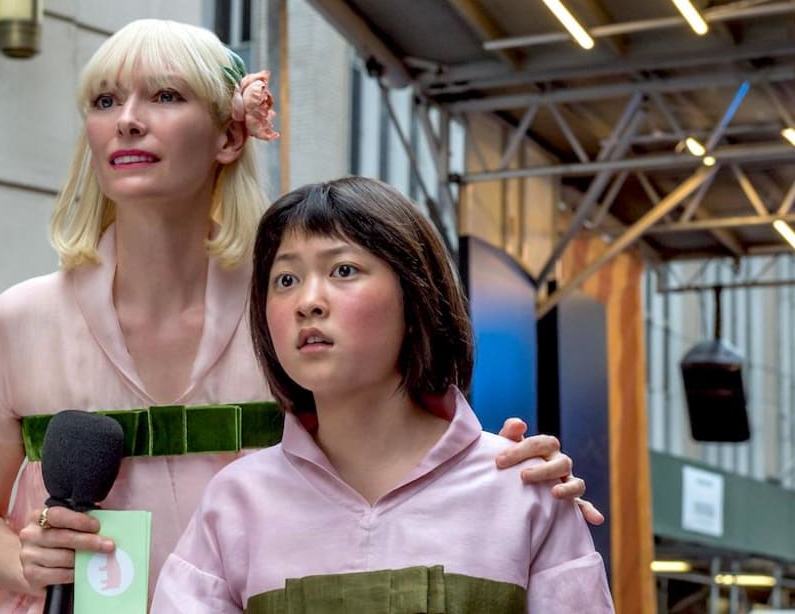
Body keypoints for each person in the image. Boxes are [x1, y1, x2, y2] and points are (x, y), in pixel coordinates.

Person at [0, 18, 595, 614]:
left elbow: (402, 446)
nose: (128, 121)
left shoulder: (289, 313)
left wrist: (510, 483)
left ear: (230, 134)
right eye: (105, 101)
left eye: (164, 96)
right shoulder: (20, 321)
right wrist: (23, 562)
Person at [151, 177, 614, 612]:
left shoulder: (523, 490)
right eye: (286, 279)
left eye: (343, 270)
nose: (307, 302)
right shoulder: (236, 501)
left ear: (415, 298)